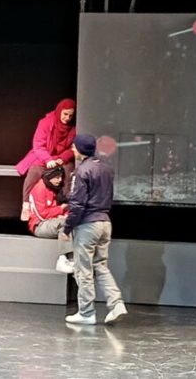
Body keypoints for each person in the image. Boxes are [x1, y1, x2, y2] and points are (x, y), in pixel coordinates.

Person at [62, 134, 127, 325]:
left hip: (88, 225)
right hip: (105, 222)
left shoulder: (82, 171)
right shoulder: (106, 169)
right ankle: (116, 304)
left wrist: (67, 228)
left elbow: (77, 204)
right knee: (101, 266)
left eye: (74, 147)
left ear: (80, 149)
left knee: (83, 270)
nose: (72, 150)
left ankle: (86, 312)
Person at [16, 98, 77, 221]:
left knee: (69, 171)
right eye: (65, 114)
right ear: (59, 111)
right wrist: (48, 160)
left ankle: (66, 205)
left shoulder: (74, 128)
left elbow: (73, 148)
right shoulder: (46, 123)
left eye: (70, 115)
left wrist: (62, 158)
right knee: (34, 171)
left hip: (61, 158)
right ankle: (26, 206)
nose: (67, 118)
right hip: (44, 155)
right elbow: (38, 145)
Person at [27, 166, 75, 274]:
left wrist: (65, 215)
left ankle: (73, 260)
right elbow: (42, 215)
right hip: (39, 225)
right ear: (50, 177)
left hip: (53, 221)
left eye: (61, 177)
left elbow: (66, 207)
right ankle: (63, 259)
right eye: (57, 177)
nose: (60, 180)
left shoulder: (56, 188)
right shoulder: (39, 189)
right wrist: (60, 210)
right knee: (64, 224)